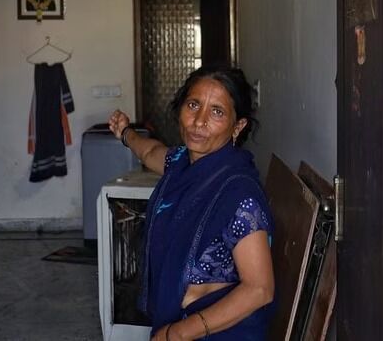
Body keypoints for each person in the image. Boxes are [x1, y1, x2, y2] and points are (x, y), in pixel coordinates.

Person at [108, 65, 275, 340]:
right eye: (193, 105)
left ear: (238, 126)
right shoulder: (181, 164)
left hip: (217, 334)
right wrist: (125, 132)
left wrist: (178, 333)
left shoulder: (239, 195)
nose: (199, 121)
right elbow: (150, 151)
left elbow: (259, 289)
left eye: (217, 112)